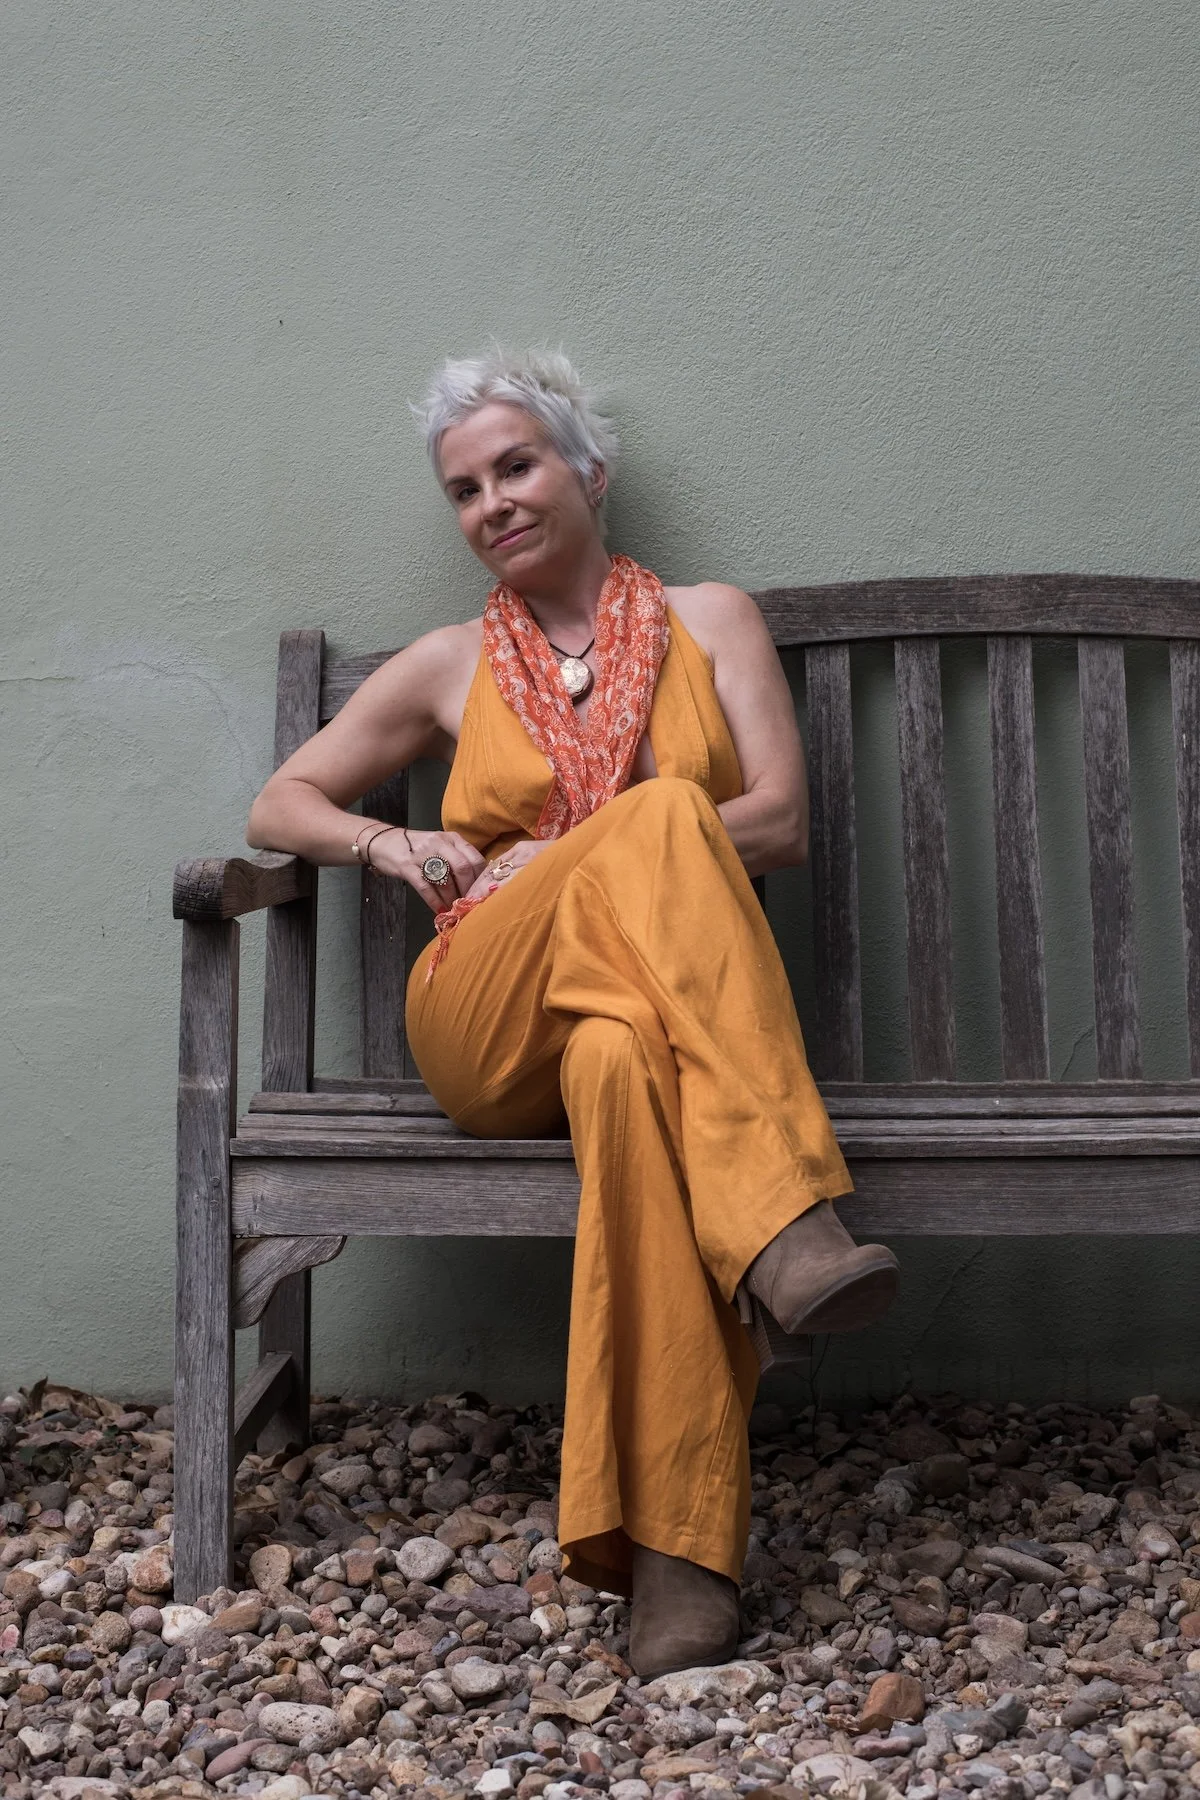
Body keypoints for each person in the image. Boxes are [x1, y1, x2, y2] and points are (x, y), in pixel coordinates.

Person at [246, 346, 899, 1677]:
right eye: (465, 489)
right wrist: (392, 849)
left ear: (588, 471)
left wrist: (580, 850)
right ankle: (778, 1211)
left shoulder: (714, 621)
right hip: (483, 1010)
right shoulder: (443, 665)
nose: (491, 501)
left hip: (642, 1022)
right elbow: (281, 804)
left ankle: (677, 1560)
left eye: (517, 466)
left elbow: (778, 818)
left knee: (618, 1060)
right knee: (656, 820)